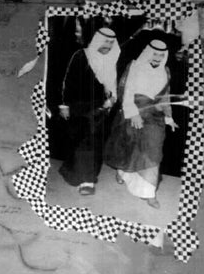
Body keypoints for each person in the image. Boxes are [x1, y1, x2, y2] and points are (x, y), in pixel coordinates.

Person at [105, 38, 178, 209]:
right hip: (134, 111)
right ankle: (123, 171)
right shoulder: (135, 66)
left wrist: (168, 117)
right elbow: (127, 90)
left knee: (153, 150)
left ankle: (148, 193)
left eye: (162, 55)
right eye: (155, 54)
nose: (158, 58)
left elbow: (165, 97)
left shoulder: (165, 71)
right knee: (131, 147)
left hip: (155, 115)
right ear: (148, 52)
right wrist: (133, 114)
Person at [57, 26, 120, 196]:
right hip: (78, 107)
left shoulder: (112, 60)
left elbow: (113, 86)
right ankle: (77, 174)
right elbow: (67, 81)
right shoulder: (80, 55)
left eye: (111, 42)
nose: (108, 44)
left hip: (99, 109)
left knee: (91, 143)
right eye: (105, 40)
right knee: (79, 142)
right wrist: (64, 105)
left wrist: (111, 100)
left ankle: (88, 180)